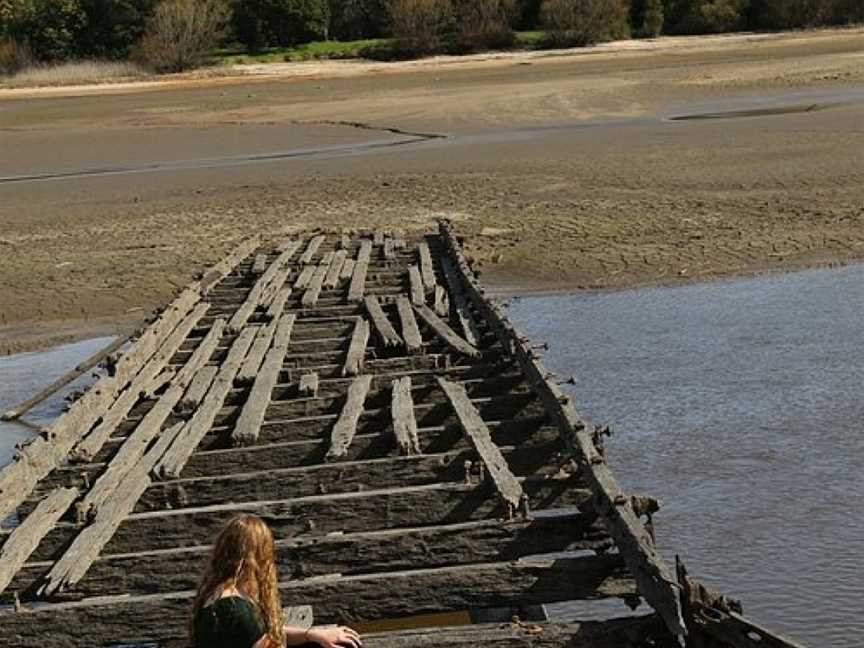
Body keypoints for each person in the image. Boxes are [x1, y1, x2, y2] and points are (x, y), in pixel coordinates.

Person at [190, 514, 362, 648]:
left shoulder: (221, 597)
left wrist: (312, 634)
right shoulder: (235, 609)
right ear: (259, 555)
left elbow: (263, 634)